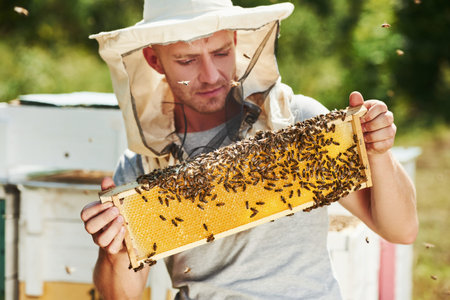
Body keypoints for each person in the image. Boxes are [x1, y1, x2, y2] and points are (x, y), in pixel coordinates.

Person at [81, 1, 418, 299]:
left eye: (221, 53)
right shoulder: (142, 164)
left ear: (236, 40)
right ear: (154, 60)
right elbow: (118, 296)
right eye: (187, 60)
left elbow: (401, 229)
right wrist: (114, 251)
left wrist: (378, 151)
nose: (211, 75)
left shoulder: (296, 119)